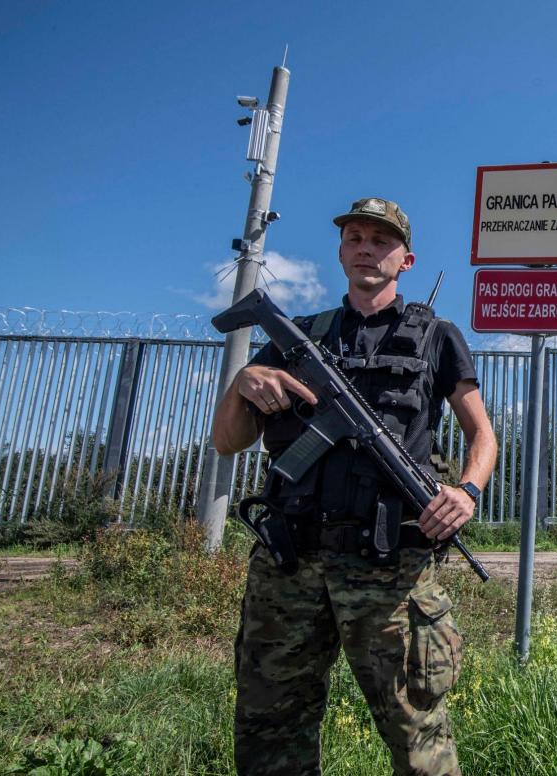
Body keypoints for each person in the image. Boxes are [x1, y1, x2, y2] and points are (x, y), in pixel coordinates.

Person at [211, 196, 497, 776]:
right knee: (270, 725)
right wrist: (244, 380)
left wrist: (466, 492)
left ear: (406, 259)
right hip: (289, 561)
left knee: (419, 733)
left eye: (382, 240)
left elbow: (482, 435)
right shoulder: (299, 337)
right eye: (356, 237)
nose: (367, 247)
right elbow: (226, 443)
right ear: (342, 250)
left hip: (389, 568)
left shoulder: (437, 336)